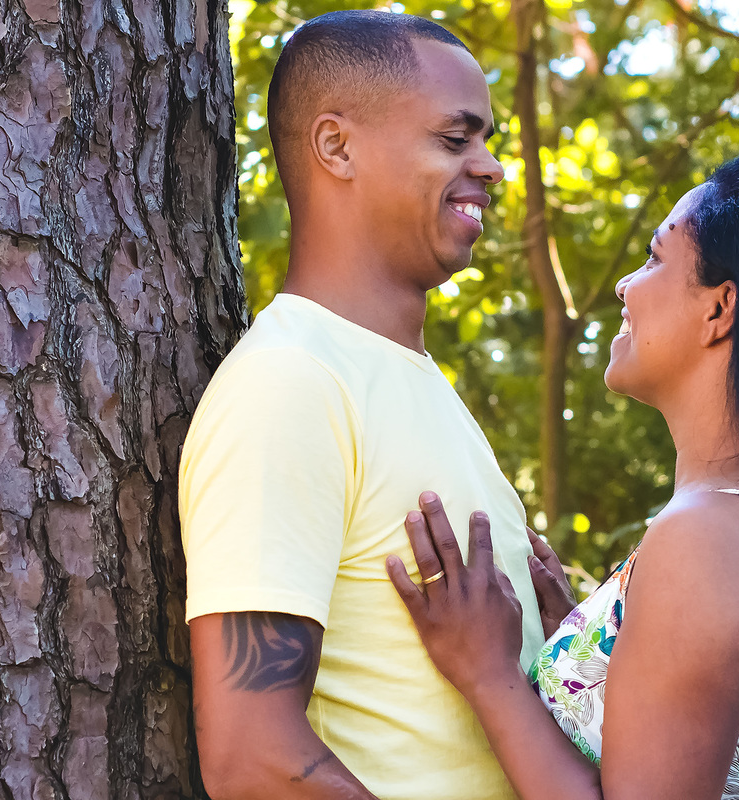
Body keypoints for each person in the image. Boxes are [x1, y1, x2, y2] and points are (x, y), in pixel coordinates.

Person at [385, 141, 739, 800]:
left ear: (720, 309)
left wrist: (490, 675)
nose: (628, 285)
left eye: (656, 257)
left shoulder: (712, 544)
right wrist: (598, 666)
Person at [178, 11, 549, 799]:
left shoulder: (415, 384)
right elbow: (251, 758)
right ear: (336, 147)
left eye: (487, 141)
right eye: (456, 140)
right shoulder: (291, 382)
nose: (492, 168)